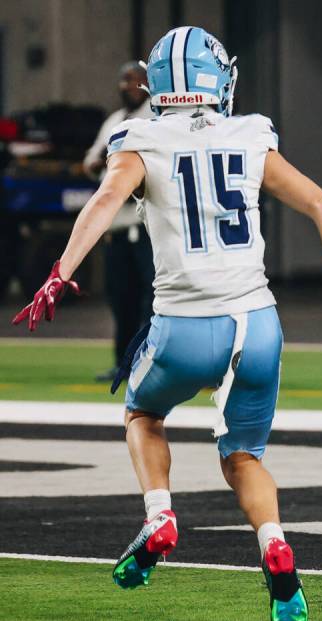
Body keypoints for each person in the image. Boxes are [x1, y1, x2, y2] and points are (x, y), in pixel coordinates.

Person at [12, 27, 322, 621]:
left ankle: (160, 515)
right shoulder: (251, 132)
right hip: (257, 324)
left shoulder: (140, 137)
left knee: (142, 414)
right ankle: (276, 548)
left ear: (158, 85)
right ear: (220, 79)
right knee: (243, 455)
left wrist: (60, 273)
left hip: (183, 324)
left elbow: (105, 201)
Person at [83, 62, 156, 382]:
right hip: (115, 228)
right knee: (121, 299)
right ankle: (123, 364)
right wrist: (108, 164)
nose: (126, 86)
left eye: (133, 80)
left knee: (151, 299)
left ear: (146, 84)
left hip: (145, 227)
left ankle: (150, 364)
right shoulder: (116, 120)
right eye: (124, 80)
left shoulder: (155, 117)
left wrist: (120, 170)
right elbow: (90, 161)